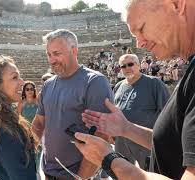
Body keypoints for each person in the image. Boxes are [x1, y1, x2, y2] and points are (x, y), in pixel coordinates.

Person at [74, 0, 195, 179]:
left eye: (141, 28)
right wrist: (126, 128)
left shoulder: (155, 84)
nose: (139, 43)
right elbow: (174, 144)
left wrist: (110, 161)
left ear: (177, 4)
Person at [31, 29, 114, 179]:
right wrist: (28, 153)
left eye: (57, 54)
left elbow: (101, 137)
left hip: (78, 175)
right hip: (49, 172)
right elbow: (38, 123)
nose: (51, 60)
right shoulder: (48, 85)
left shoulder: (94, 82)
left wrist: (81, 178)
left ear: (74, 51)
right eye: (48, 54)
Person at [113, 54, 170, 170]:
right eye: (123, 66)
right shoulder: (118, 86)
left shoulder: (154, 83)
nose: (127, 68)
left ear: (138, 65)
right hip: (122, 140)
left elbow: (167, 113)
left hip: (144, 140)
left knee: (150, 172)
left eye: (130, 64)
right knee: (123, 172)